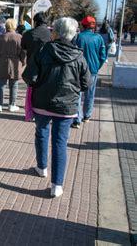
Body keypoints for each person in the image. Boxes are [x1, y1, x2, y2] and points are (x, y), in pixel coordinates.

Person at [22, 17, 90, 198]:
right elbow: (86, 84)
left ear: (56, 33)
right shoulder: (79, 55)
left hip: (43, 102)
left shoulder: (43, 51)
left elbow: (29, 76)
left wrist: (40, 84)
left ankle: (41, 167)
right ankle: (57, 185)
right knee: (60, 143)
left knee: (42, 133)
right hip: (67, 106)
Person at [71, 16, 106, 129]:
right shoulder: (99, 38)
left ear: (83, 25)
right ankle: (87, 116)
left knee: (78, 94)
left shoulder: (77, 37)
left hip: (78, 70)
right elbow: (103, 56)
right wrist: (97, 66)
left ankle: (77, 119)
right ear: (93, 26)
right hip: (93, 70)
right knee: (90, 94)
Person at [21, 12, 52, 121]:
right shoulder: (51, 34)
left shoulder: (28, 34)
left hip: (32, 65)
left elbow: (23, 48)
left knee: (31, 90)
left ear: (35, 21)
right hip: (48, 66)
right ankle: (44, 112)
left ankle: (31, 113)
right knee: (45, 90)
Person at [0, 19, 26, 112]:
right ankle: (12, 105)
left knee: (1, 85)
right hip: (15, 62)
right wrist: (23, 61)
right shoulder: (19, 37)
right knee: (14, 85)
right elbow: (23, 52)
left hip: (2, 61)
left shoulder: (0, 37)